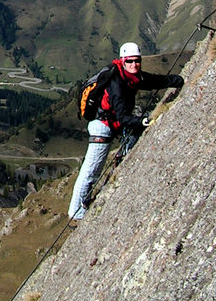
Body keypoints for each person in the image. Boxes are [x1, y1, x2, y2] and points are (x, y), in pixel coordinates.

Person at [66, 41, 184, 221]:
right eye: (130, 61)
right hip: (103, 125)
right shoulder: (116, 83)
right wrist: (142, 121)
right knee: (92, 170)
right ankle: (76, 214)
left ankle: (124, 157)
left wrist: (177, 80)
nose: (134, 64)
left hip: (113, 122)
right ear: (122, 61)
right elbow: (122, 117)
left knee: (133, 132)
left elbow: (153, 81)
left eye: (137, 61)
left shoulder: (131, 76)